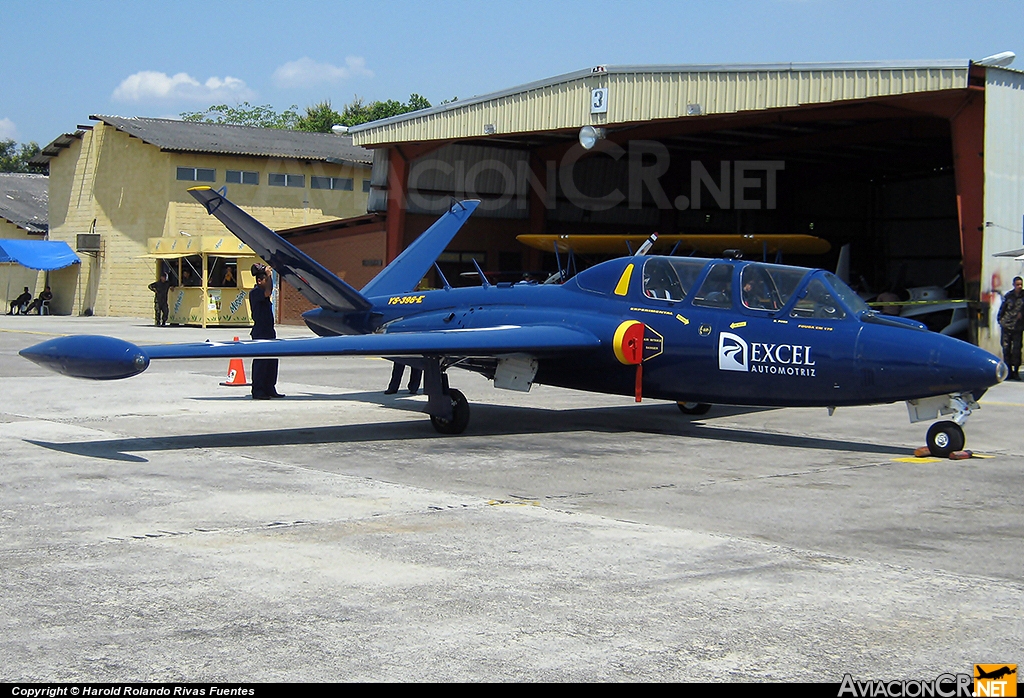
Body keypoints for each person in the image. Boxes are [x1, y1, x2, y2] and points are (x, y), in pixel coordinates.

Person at [249, 263, 284, 399]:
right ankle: (258, 390)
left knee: (271, 362)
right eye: (266, 279)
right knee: (261, 363)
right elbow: (268, 291)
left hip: (269, 331)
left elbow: (269, 291)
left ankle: (270, 388)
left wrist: (269, 276)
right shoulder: (255, 292)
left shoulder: (263, 294)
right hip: (260, 332)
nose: (268, 282)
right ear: (259, 280)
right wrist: (269, 275)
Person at [997, 276, 1024, 380]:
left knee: (1017, 350)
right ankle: (1008, 371)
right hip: (1007, 326)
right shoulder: (1009, 296)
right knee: (1006, 349)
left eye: (1021, 284)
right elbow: (1002, 309)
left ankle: (1016, 372)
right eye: (1017, 285)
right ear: (1014, 285)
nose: (1019, 287)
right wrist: (1000, 321)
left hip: (1018, 327)